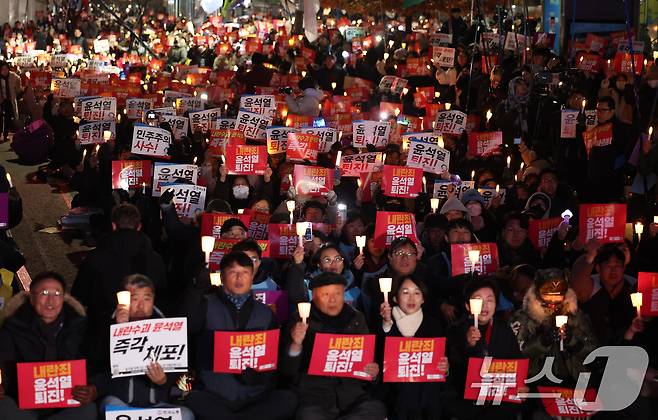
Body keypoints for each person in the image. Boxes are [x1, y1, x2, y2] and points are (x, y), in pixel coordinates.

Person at [182, 252, 297, 420]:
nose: (239, 278)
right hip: (216, 394)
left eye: (245, 273)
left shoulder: (265, 312)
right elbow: (189, 326)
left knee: (287, 399)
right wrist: (197, 288)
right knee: (194, 399)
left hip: (255, 396)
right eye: (233, 272)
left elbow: (274, 358)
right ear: (222, 276)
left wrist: (261, 375)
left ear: (252, 276)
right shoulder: (205, 304)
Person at [280, 272, 386, 420]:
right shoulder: (299, 320)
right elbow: (287, 371)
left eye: (337, 293)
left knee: (376, 409)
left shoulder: (356, 318)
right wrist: (295, 345)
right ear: (314, 297)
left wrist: (373, 372)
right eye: (325, 294)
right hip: (314, 396)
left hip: (352, 395)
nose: (333, 299)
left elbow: (368, 360)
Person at [72, 204, 166, 366]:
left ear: (114, 226)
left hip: (102, 335)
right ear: (139, 227)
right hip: (146, 335)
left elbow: (78, 298)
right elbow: (163, 293)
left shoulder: (95, 257)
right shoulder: (155, 259)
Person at [0, 271, 98, 419]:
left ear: (64, 298)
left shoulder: (80, 327)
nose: (50, 301)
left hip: (66, 406)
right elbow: (3, 363)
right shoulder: (13, 327)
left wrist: (93, 388)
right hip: (22, 406)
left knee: (89, 409)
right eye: (44, 292)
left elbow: (94, 364)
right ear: (32, 298)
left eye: (57, 293)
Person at [96, 275, 194, 420]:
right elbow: (97, 364)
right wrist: (118, 330)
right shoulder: (105, 324)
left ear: (153, 300)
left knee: (186, 415)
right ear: (123, 300)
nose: (141, 306)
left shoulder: (168, 328)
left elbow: (181, 373)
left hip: (158, 406)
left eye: (146, 299)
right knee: (110, 407)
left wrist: (163, 380)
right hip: (121, 403)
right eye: (134, 299)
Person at [446, 275, 524, 420]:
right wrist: (468, 345)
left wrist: (520, 384)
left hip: (498, 402)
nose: (485, 305)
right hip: (466, 403)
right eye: (478, 300)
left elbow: (516, 363)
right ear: (468, 306)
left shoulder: (504, 331)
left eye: (490, 300)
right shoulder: (455, 330)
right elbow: (451, 370)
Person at [509, 268, 598, 384]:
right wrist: (541, 341)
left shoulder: (576, 315)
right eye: (547, 294)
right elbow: (513, 355)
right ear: (537, 292)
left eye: (558, 295)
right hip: (535, 380)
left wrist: (572, 340)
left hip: (573, 380)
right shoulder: (523, 317)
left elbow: (595, 353)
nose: (553, 300)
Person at [378, 277, 448, 419]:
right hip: (398, 396)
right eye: (405, 292)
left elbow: (441, 361)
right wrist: (386, 325)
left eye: (417, 293)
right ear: (396, 298)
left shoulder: (433, 324)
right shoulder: (386, 323)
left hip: (428, 396)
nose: (411, 298)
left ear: (423, 299)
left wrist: (445, 367)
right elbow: (382, 359)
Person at [571, 241, 637, 345]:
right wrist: (590, 256)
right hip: (590, 349)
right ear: (598, 268)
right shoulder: (590, 285)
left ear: (624, 268)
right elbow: (578, 285)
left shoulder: (634, 286)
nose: (613, 271)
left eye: (617, 265)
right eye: (608, 266)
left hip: (625, 348)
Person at [0, 61, 22, 141]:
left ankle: (5, 135)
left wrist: (17, 90)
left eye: (6, 69)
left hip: (9, 100)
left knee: (7, 118)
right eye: (2, 69)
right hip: (1, 100)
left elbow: (19, 81)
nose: (4, 71)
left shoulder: (13, 76)